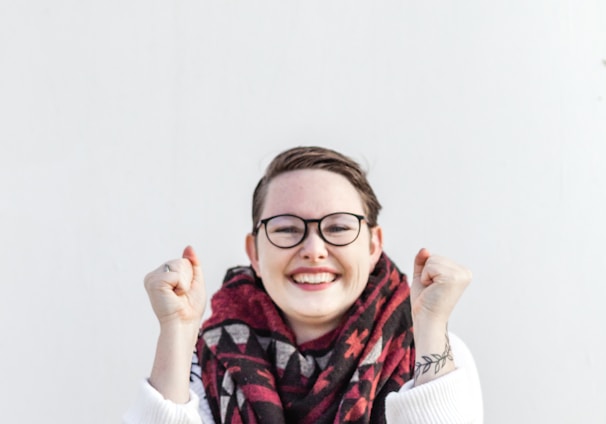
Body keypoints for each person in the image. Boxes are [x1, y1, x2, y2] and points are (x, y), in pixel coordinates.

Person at [123, 146, 483, 423]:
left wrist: (432, 325)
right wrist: (177, 330)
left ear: (373, 246)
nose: (313, 250)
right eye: (286, 229)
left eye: (339, 227)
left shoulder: (432, 354)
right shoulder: (203, 358)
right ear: (255, 253)